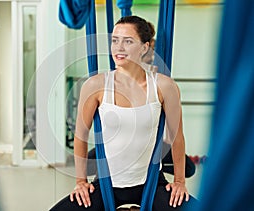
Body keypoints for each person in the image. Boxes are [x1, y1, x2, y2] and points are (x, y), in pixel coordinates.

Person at [50, 15, 197, 210]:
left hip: (150, 183)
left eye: (128, 41)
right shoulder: (95, 85)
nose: (119, 48)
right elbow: (80, 136)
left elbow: (177, 137)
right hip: (106, 184)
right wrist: (80, 181)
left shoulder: (164, 86)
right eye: (114, 40)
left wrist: (179, 181)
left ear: (144, 47)